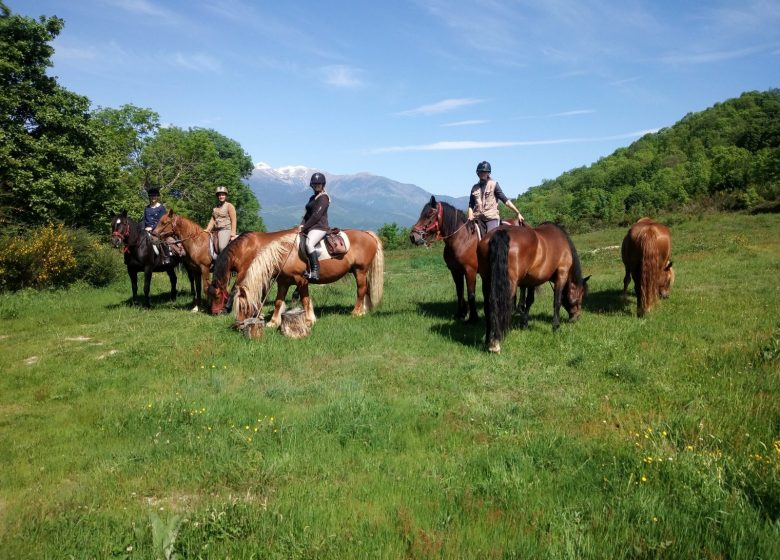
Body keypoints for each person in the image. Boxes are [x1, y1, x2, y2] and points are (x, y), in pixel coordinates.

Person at [467, 161, 524, 232]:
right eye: (480, 172)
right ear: (477, 173)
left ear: (488, 173)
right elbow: (471, 205)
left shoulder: (494, 185)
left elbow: (506, 201)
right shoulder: (474, 188)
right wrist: (470, 216)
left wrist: (517, 213)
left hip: (491, 218)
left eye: (484, 172)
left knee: (490, 238)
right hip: (478, 218)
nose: (482, 173)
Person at [298, 172, 330, 281]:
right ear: (312, 185)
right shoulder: (312, 198)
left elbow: (316, 216)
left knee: (309, 243)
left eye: (319, 184)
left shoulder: (324, 198)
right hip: (310, 226)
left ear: (323, 184)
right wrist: (301, 224)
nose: (317, 186)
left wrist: (305, 227)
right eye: (315, 184)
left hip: (320, 227)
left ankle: (315, 271)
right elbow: (308, 214)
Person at [204, 186, 237, 253]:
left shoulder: (229, 206)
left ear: (225, 196)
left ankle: (224, 262)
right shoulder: (215, 208)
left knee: (222, 247)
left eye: (223, 195)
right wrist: (207, 229)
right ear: (218, 196)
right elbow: (213, 220)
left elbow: (234, 220)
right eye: (219, 195)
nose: (221, 196)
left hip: (225, 229)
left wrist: (233, 234)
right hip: (215, 230)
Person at [143, 187, 171, 264]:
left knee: (163, 239)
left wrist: (152, 227)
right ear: (149, 197)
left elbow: (162, 221)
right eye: (151, 196)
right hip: (147, 229)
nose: (153, 198)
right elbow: (144, 220)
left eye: (154, 196)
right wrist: (143, 227)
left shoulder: (161, 208)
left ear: (157, 197)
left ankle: (166, 257)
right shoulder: (146, 208)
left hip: (159, 229)